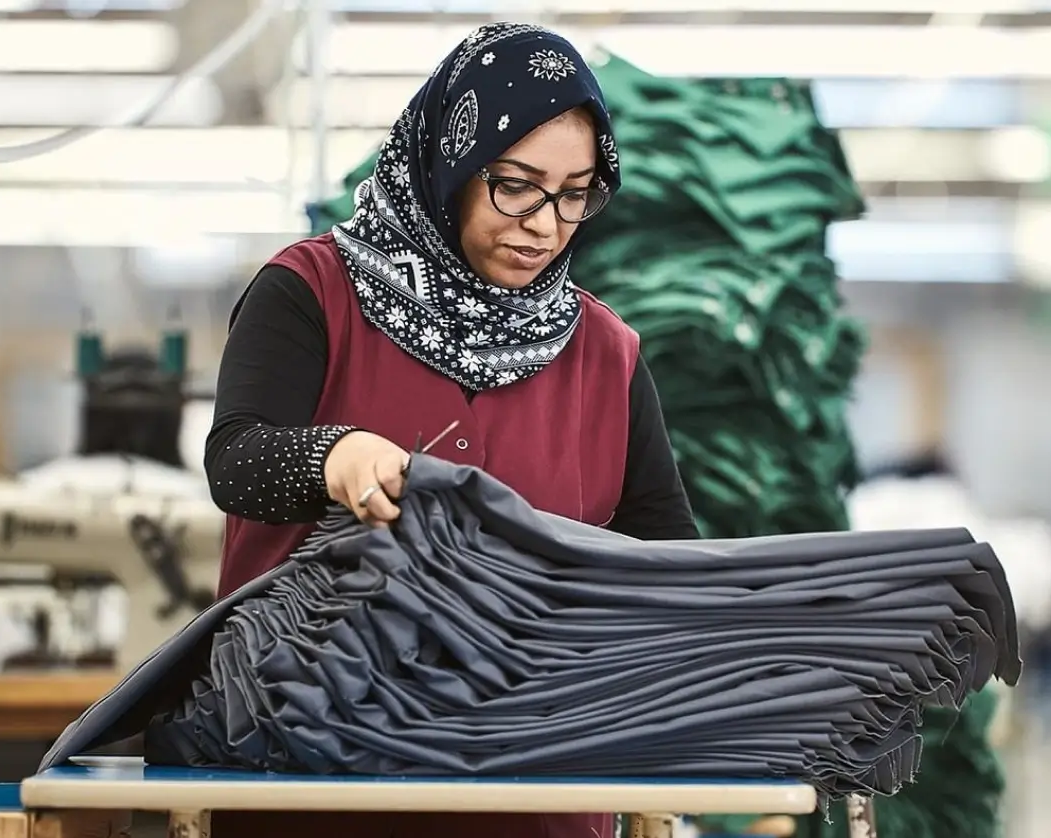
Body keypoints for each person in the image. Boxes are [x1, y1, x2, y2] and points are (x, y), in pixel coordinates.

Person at [203, 21, 697, 838]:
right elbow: (237, 461)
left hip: (535, 800)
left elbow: (666, 551)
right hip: (311, 789)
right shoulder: (312, 294)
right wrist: (338, 455)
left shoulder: (602, 353)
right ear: (452, 160)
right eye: (516, 184)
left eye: (575, 194)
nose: (544, 222)